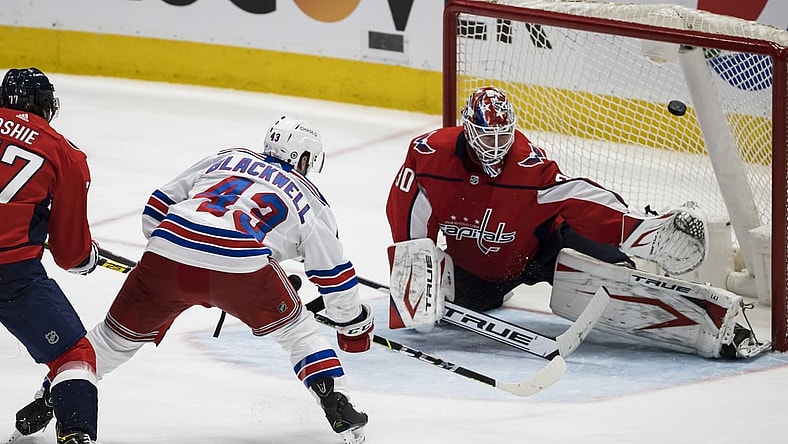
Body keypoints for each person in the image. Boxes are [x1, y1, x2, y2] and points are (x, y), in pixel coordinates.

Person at [14, 115, 373, 444]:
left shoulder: (227, 158)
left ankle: (46, 402)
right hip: (241, 266)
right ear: (306, 159)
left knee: (109, 342)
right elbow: (334, 277)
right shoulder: (311, 200)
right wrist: (353, 326)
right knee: (299, 331)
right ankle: (334, 399)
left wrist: (168, 256)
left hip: (168, 248)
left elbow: (158, 205)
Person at [384, 85, 758, 359]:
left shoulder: (527, 165)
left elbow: (578, 197)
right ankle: (495, 291)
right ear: (468, 128)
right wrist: (412, 267)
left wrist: (640, 230)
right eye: (487, 135)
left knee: (613, 274)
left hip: (546, 246)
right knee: (463, 304)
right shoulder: (429, 154)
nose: (496, 145)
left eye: (503, 135)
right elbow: (405, 209)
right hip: (484, 270)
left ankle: (701, 322)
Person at [0, 68, 101, 444]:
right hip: (13, 276)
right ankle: (75, 433)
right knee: (74, 354)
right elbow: (70, 253)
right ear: (47, 107)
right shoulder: (64, 152)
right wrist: (86, 257)